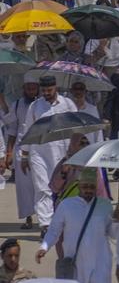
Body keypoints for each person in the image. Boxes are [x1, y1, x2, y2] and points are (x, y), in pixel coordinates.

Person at [36, 170, 113, 283]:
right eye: (85, 186)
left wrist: (117, 221)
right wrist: (44, 247)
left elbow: (113, 233)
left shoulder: (105, 205)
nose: (88, 190)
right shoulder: (66, 205)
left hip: (100, 261)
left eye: (91, 187)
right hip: (76, 261)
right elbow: (54, 230)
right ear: (78, 186)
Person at [17, 75, 78, 231]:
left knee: (63, 187)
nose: (46, 93)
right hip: (39, 153)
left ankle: (62, 221)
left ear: (55, 88)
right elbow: (28, 131)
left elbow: (77, 129)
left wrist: (75, 152)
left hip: (63, 153)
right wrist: (24, 155)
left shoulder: (68, 104)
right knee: (42, 188)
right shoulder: (35, 107)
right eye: (43, 90)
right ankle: (46, 225)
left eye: (49, 90)